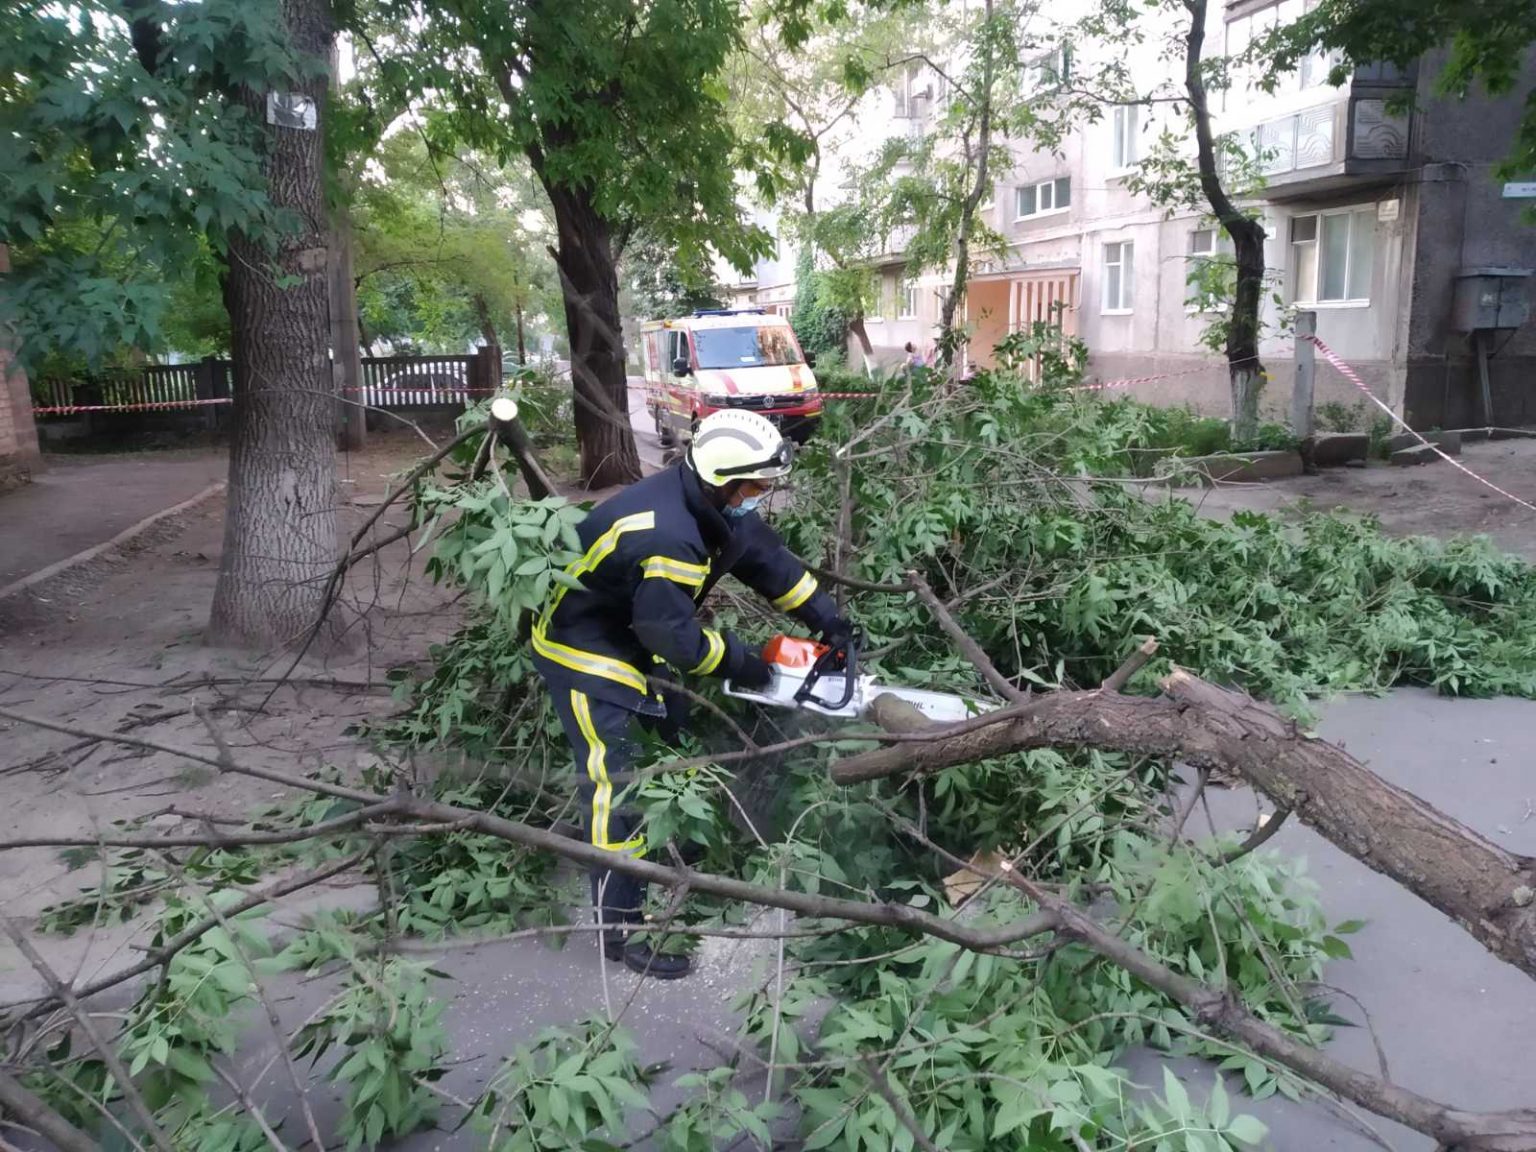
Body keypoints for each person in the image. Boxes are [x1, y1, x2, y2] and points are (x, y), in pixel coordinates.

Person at [531, 409, 853, 979]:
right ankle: (620, 926)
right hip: (587, 650)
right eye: (755, 486)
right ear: (721, 481)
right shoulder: (669, 535)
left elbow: (765, 560)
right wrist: (745, 664)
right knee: (617, 783)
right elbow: (673, 637)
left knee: (672, 748)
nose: (762, 496)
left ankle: (674, 855)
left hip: (634, 634)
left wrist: (827, 618)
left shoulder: (712, 506)